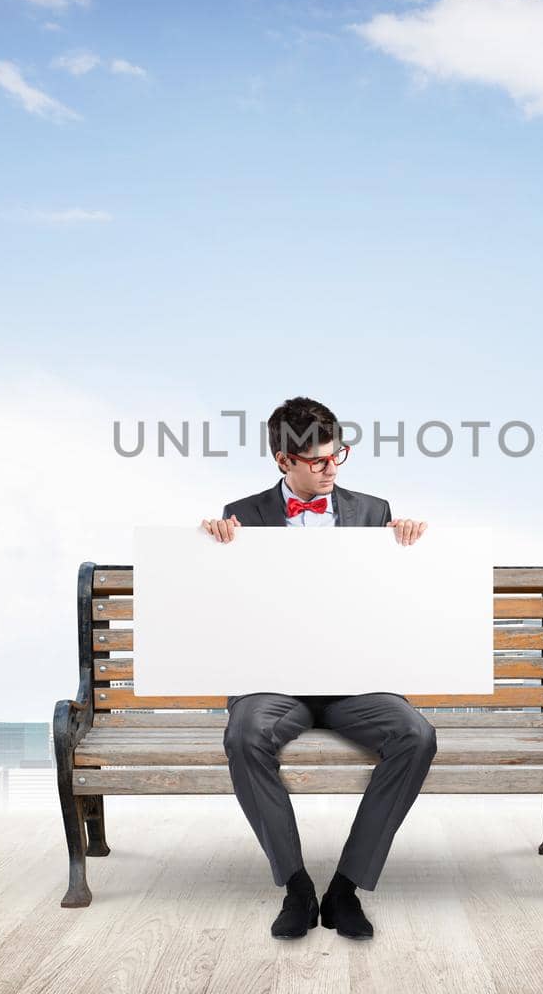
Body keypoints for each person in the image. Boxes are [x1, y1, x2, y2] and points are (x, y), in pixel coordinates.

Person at [200, 396, 432, 941]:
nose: (333, 469)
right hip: (276, 686)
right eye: (319, 462)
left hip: (354, 685)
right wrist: (211, 550)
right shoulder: (241, 515)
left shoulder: (374, 512)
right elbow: (221, 608)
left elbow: (397, 602)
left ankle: (346, 887)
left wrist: (412, 547)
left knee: (416, 735)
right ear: (283, 461)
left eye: (339, 456)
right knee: (244, 734)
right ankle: (297, 888)